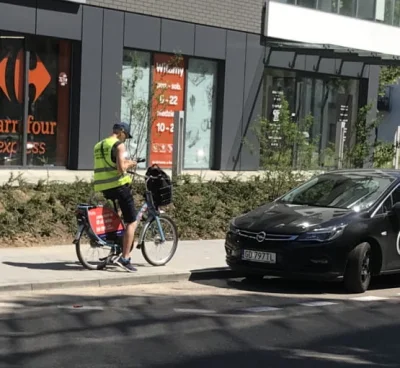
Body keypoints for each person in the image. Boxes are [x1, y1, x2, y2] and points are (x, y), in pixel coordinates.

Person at [93, 122, 138, 272]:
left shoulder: (99, 145)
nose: (125, 139)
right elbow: (120, 169)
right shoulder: (119, 145)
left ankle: (116, 247)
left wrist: (123, 163)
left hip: (104, 187)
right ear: (122, 132)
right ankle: (125, 258)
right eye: (126, 136)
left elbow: (110, 164)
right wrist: (130, 163)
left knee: (118, 216)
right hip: (118, 186)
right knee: (132, 221)